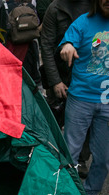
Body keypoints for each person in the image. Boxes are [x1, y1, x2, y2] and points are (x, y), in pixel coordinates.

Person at [59, 0, 109, 195]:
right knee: (70, 151)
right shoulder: (83, 22)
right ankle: (64, 193)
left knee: (104, 157)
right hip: (80, 98)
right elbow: (66, 44)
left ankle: (91, 193)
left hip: (106, 101)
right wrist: (68, 46)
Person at [40, 0, 91, 177]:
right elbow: (46, 45)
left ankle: (81, 159)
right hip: (60, 74)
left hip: (86, 75)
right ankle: (51, 156)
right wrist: (55, 81)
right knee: (54, 117)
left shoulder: (95, 7)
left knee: (86, 120)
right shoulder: (55, 8)